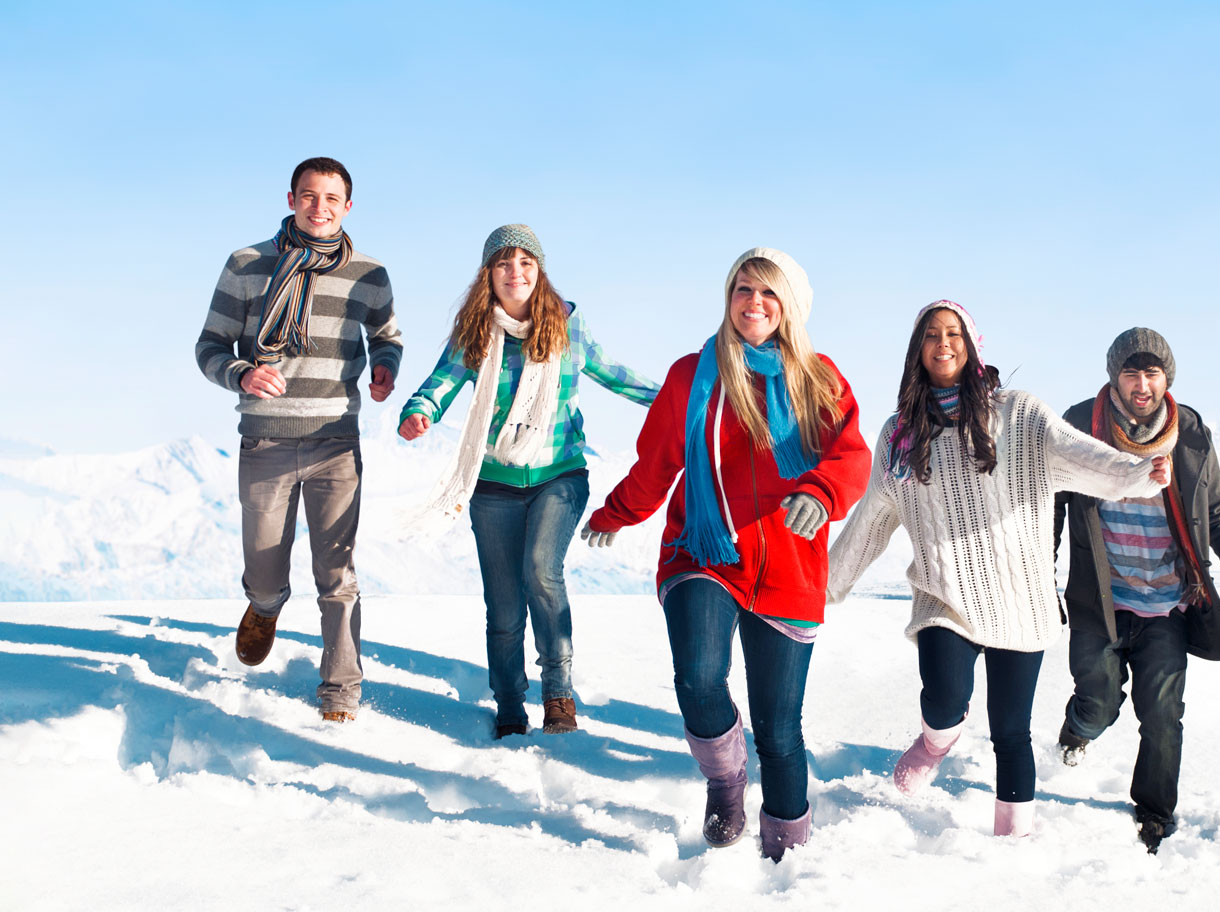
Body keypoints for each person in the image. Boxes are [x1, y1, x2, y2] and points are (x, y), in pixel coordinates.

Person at [826, 301, 1170, 838]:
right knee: (944, 699)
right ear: (918, 348)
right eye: (932, 335)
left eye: (954, 333)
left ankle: (1015, 842)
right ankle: (935, 740)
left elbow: (1081, 456)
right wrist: (827, 581)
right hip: (944, 597)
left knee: (1011, 732)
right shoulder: (900, 436)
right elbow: (874, 515)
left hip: (1019, 598)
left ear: (973, 343)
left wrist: (1137, 471)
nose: (944, 344)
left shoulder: (1019, 414)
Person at [578, 248, 869, 861]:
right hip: (703, 550)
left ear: (788, 305)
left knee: (780, 730)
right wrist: (617, 511)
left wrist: (820, 491)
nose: (752, 302)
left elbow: (851, 457)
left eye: (767, 292)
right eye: (742, 289)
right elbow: (659, 460)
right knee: (701, 680)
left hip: (790, 563)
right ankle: (726, 778)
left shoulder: (820, 377)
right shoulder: (693, 374)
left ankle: (786, 855)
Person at [397, 225, 659, 738]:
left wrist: (679, 394)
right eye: (503, 264)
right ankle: (509, 702)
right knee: (503, 603)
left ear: (539, 272)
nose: (515, 273)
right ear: (488, 276)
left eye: (526, 263)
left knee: (541, 571)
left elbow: (614, 374)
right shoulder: (474, 334)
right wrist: (419, 411)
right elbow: (442, 381)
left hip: (559, 475)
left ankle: (558, 695)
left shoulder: (567, 328)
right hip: (493, 482)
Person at [1052, 327, 1220, 854]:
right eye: (1131, 372)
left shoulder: (1191, 433)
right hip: (1100, 600)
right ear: (1114, 376)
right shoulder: (1079, 427)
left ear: (1166, 378)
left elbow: (1217, 514)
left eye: (1151, 373)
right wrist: (1039, 574)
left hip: (1168, 603)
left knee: (1162, 715)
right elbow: (1050, 506)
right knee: (1100, 700)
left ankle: (1154, 813)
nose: (1141, 384)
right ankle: (1080, 726)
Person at [194, 156, 402, 722]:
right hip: (266, 441)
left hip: (338, 441)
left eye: (332, 200)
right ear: (291, 199)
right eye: (309, 197)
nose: (320, 208)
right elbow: (209, 346)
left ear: (347, 207)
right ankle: (263, 606)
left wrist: (385, 365)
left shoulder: (369, 274)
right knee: (265, 567)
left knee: (337, 574)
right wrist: (241, 373)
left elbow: (386, 335)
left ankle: (340, 690)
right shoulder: (247, 264)